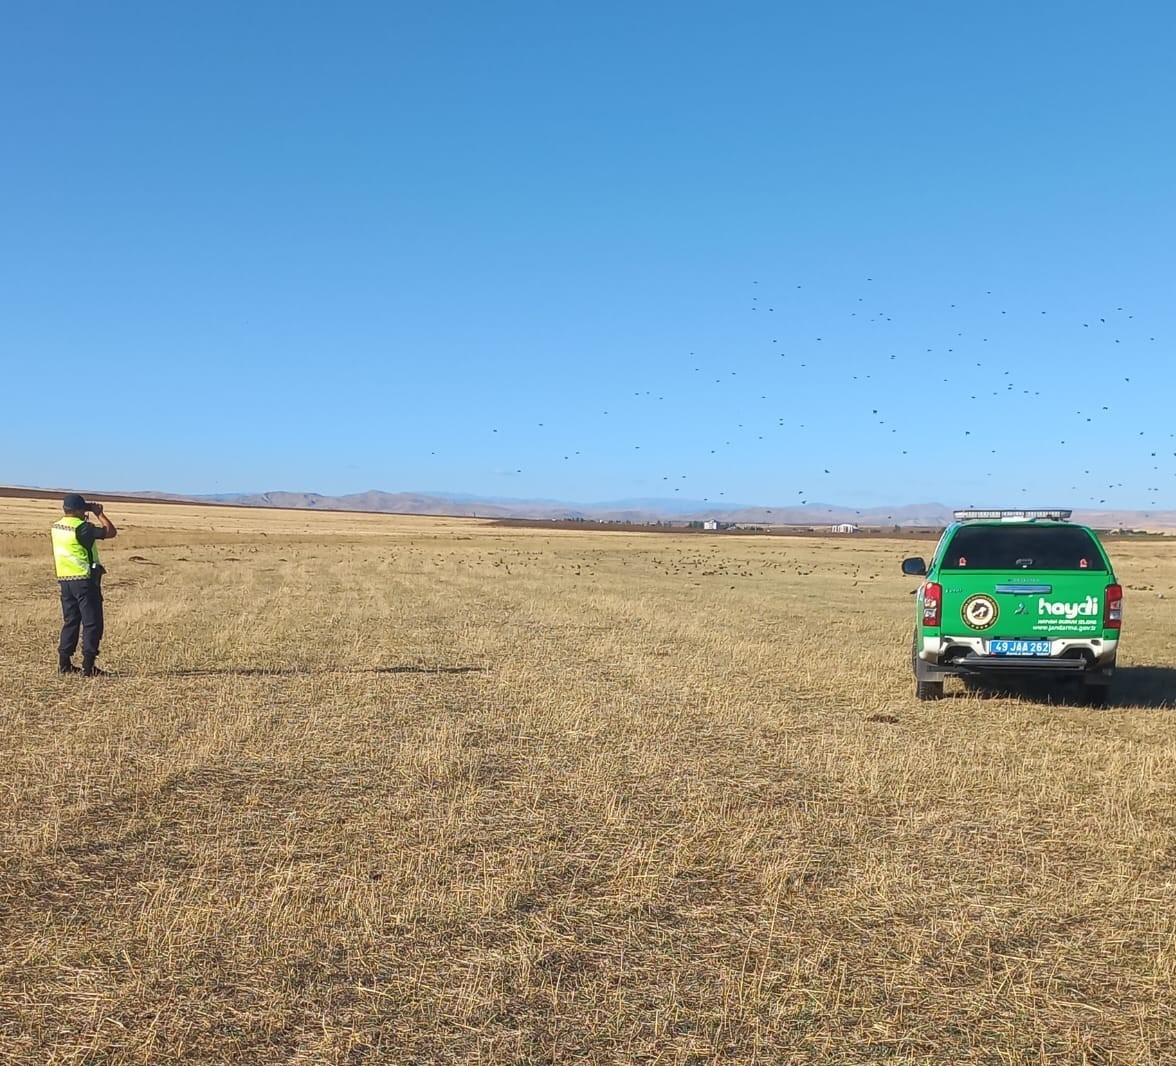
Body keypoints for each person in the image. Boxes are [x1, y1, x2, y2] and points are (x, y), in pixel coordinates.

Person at [52, 493, 117, 676]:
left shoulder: (57, 527)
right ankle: (88, 667)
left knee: (71, 621)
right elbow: (110, 531)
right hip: (84, 580)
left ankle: (64, 664)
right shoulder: (82, 528)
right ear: (80, 510)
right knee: (92, 623)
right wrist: (99, 513)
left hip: (65, 581)